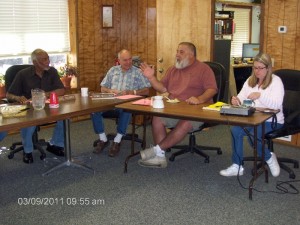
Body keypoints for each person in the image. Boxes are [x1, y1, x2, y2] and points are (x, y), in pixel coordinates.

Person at [139, 42, 218, 168]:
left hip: (196, 112)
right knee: (157, 118)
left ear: (192, 54)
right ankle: (159, 156)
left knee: (186, 121)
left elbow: (212, 89)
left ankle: (156, 150)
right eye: (177, 51)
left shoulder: (204, 69)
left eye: (181, 52)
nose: (177, 55)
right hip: (175, 109)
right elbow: (162, 88)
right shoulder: (173, 69)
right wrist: (151, 78)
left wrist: (199, 98)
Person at [220, 52, 284, 177]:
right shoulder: (250, 81)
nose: (257, 71)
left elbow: (276, 105)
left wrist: (261, 95)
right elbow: (241, 98)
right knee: (236, 130)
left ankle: (269, 157)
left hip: (273, 120)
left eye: (261, 68)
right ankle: (237, 165)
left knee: (252, 134)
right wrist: (236, 101)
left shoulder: (276, 81)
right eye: (255, 68)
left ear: (268, 68)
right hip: (253, 118)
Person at [7, 48, 66, 164]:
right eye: (44, 59)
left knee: (64, 117)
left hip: (48, 106)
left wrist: (45, 94)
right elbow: (9, 94)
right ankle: (27, 150)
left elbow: (61, 90)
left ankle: (55, 144)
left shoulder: (52, 71)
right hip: (29, 108)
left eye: (48, 58)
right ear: (35, 62)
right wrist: (18, 98)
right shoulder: (22, 74)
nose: (48, 61)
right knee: (29, 123)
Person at [91, 49, 151, 157]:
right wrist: (111, 91)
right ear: (119, 60)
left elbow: (147, 90)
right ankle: (103, 139)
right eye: (125, 60)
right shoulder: (113, 70)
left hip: (128, 103)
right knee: (94, 109)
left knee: (126, 109)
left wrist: (132, 92)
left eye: (130, 59)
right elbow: (102, 88)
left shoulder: (138, 72)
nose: (128, 62)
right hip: (111, 102)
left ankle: (117, 140)